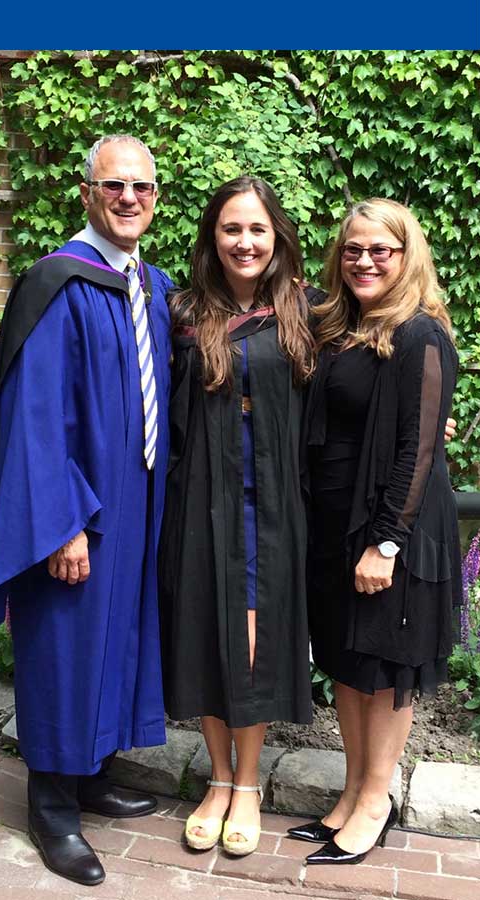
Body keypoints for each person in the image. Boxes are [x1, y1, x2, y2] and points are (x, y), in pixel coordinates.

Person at [0, 135, 172, 886]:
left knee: (114, 640)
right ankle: (51, 809)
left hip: (138, 504)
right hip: (79, 509)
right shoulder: (57, 282)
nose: (128, 198)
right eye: (114, 185)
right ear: (87, 193)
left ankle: (91, 775)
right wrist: (61, 525)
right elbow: (35, 418)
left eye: (142, 187)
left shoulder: (150, 285)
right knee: (64, 644)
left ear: (156, 198)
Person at [293, 199, 460, 865]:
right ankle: (351, 791)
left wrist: (386, 543)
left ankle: (375, 802)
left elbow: (418, 451)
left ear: (406, 255)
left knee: (385, 669)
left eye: (380, 250)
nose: (364, 260)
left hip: (390, 532)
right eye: (353, 249)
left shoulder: (420, 334)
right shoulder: (339, 327)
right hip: (335, 524)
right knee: (347, 662)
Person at [159, 177, 317, 855]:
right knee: (206, 633)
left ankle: (246, 783)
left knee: (252, 643)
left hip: (273, 506)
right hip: (201, 499)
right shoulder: (182, 312)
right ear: (213, 237)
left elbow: (360, 383)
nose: (245, 242)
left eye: (257, 229)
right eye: (231, 229)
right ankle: (217, 780)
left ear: (276, 236)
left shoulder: (308, 312)